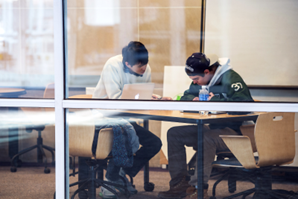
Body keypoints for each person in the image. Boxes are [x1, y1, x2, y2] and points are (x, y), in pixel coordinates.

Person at [158, 52, 253, 199]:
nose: (194, 82)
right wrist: (194, 99)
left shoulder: (230, 77)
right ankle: (179, 185)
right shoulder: (200, 79)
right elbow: (186, 96)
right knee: (174, 134)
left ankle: (199, 189)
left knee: (207, 138)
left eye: (196, 79)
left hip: (236, 132)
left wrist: (215, 101)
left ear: (207, 72)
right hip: (212, 128)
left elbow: (245, 104)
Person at [92, 41, 166, 199]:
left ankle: (120, 174)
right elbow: (115, 99)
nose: (144, 69)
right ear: (127, 63)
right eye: (140, 67)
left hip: (125, 116)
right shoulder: (112, 65)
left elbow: (143, 94)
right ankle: (110, 182)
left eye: (146, 64)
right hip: (104, 115)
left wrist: (156, 98)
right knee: (123, 135)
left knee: (154, 143)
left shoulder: (146, 68)